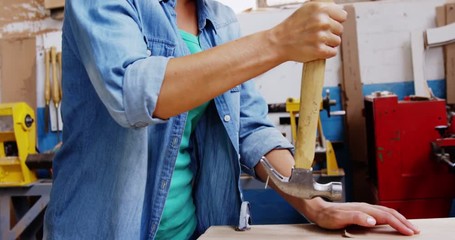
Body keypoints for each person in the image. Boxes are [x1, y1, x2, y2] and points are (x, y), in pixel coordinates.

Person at [44, 0, 420, 239]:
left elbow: (250, 128)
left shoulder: (221, 21)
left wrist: (313, 201)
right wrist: (278, 42)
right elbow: (135, 94)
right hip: (102, 229)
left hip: (194, 231)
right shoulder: (104, 3)